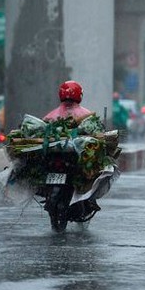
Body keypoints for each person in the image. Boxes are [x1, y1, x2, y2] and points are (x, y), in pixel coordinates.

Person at [43, 80, 100, 217]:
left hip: (54, 158)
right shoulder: (86, 115)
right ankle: (89, 199)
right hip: (71, 160)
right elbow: (96, 133)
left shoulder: (50, 115)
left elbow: (41, 128)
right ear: (79, 95)